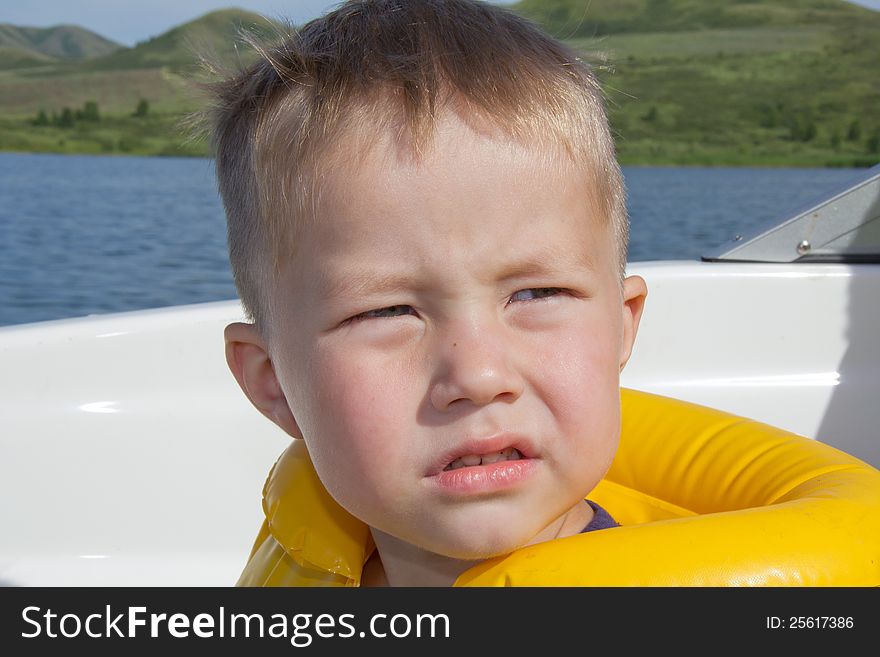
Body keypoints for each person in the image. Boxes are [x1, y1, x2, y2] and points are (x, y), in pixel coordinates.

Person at [204, 0, 880, 587]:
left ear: (621, 329)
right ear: (272, 383)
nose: (478, 374)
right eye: (387, 310)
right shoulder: (312, 562)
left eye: (536, 293)